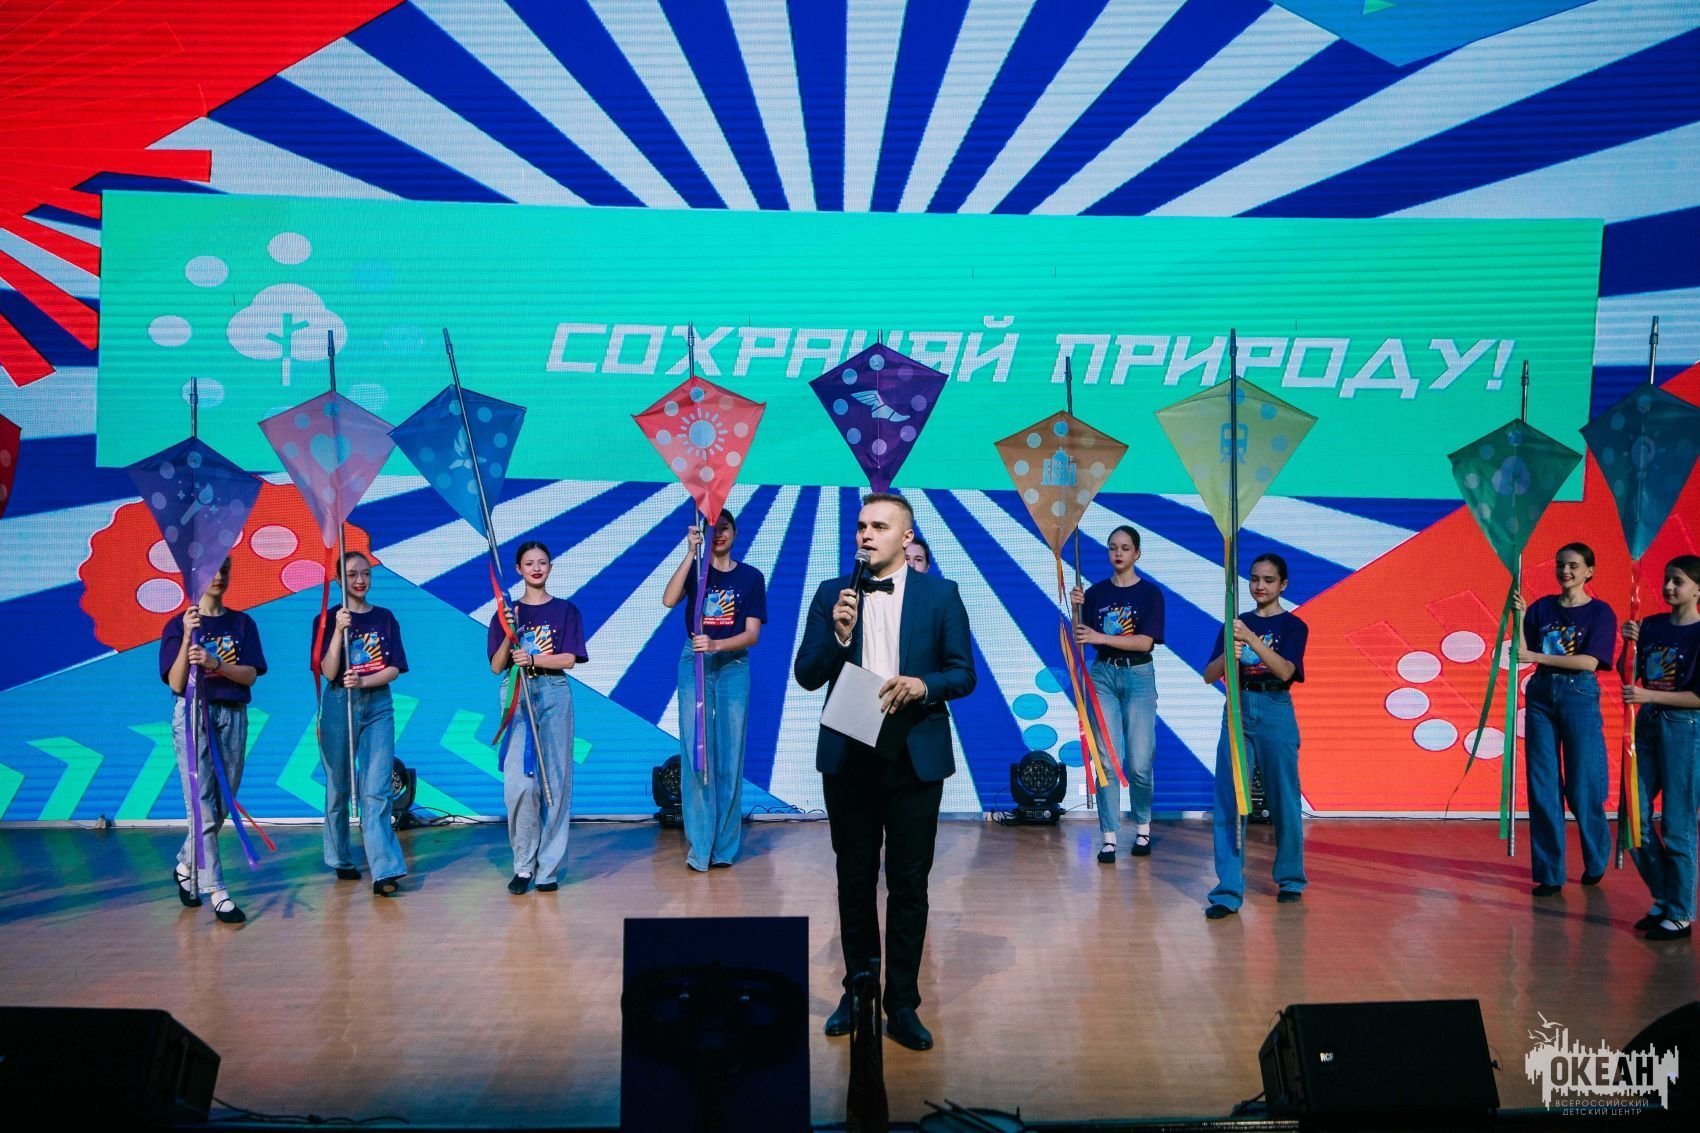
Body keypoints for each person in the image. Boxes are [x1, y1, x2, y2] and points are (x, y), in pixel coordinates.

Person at [795, 492, 975, 1051]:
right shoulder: (832, 594)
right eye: (861, 526)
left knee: (908, 884)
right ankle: (858, 992)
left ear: (906, 536)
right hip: (849, 753)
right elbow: (806, 674)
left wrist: (924, 685)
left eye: (879, 526)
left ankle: (901, 1003)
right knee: (854, 879)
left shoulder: (941, 594)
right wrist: (839, 635)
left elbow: (962, 673)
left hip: (914, 755)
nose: (866, 535)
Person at [1203, 553, 1308, 919]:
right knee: (1231, 799)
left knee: (1283, 798)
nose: (1259, 586)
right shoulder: (1234, 623)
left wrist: (1250, 639)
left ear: (1283, 585)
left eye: (1268, 580)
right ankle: (1228, 891)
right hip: (1238, 708)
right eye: (1254, 579)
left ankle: (1291, 878)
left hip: (1276, 708)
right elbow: (1209, 674)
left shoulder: (1293, 626)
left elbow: (1285, 671)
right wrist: (1228, 655)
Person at [161, 557, 265, 925]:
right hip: (193, 714)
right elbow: (176, 682)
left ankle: (186, 864)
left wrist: (214, 663)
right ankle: (218, 892)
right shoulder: (179, 624)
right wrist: (188, 639)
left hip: (232, 714)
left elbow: (249, 675)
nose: (218, 577)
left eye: (224, 570)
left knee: (223, 802)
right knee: (202, 806)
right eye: (211, 571)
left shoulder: (242, 623)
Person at [662, 511, 766, 871]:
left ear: (735, 533)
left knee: (730, 753)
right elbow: (668, 599)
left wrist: (718, 645)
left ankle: (724, 848)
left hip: (732, 662)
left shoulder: (750, 577)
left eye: (724, 528)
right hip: (695, 661)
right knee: (697, 752)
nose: (718, 533)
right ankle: (701, 846)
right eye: (712, 529)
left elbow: (752, 634)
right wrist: (690, 553)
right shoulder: (697, 571)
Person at [1516, 543, 1615, 897]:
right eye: (1560, 564)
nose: (1565, 571)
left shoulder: (1600, 612)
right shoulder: (1541, 608)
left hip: (1578, 694)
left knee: (1583, 783)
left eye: (1573, 565)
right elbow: (1522, 651)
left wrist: (1537, 655)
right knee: (1542, 783)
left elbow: (1590, 662)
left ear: (1589, 571)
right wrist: (1519, 616)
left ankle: (1596, 857)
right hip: (1541, 693)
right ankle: (1550, 873)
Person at [489, 541, 587, 895]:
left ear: (550, 567)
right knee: (520, 785)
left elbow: (569, 659)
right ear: (518, 569)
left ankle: (547, 870)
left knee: (555, 782)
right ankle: (523, 866)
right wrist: (509, 631)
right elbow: (496, 666)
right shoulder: (506, 612)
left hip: (553, 690)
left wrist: (533, 659)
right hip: (517, 692)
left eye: (542, 562)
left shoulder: (566, 610)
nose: (535, 568)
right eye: (529, 563)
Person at [313, 551, 408, 896]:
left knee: (376, 787)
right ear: (339, 579)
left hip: (377, 703)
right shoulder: (326, 619)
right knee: (338, 785)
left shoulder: (385, 618)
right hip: (339, 703)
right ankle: (340, 857)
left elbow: (394, 667)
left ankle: (384, 870)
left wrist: (365, 681)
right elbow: (327, 671)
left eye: (365, 573)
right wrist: (338, 630)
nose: (359, 580)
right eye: (352, 574)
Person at [1070, 525, 1165, 862]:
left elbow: (1144, 642)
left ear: (1137, 553)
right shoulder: (1096, 593)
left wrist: (1099, 637)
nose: (1118, 553)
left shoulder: (1150, 594)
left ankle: (1142, 828)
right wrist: (1076, 609)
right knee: (1107, 759)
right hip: (1103, 677)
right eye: (1113, 547)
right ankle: (1109, 837)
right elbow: (1082, 636)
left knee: (1139, 762)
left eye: (1125, 547)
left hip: (1138, 676)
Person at [1622, 554, 1700, 942]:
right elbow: (1629, 674)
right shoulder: (1651, 625)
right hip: (1649, 724)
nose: (1669, 587)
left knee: (1677, 824)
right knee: (1632, 816)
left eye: (1678, 581)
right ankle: (1665, 895)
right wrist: (1629, 645)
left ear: (1697, 590)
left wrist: (1648, 695)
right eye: (1667, 579)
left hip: (1684, 728)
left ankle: (1681, 913)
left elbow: (1698, 698)